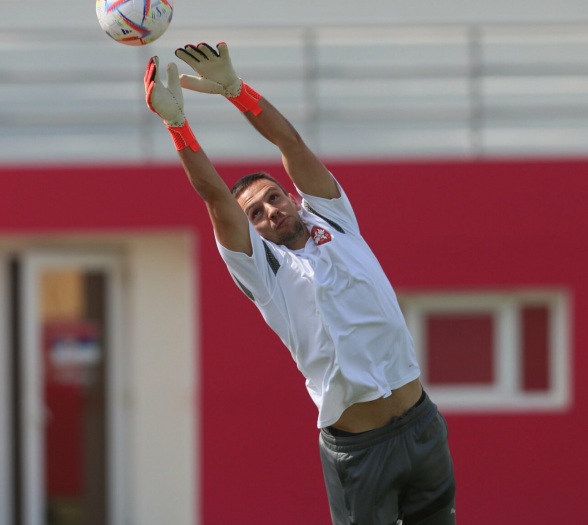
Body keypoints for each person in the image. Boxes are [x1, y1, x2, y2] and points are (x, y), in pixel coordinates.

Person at [144, 42, 457, 525]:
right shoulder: (263, 271)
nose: (271, 211)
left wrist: (235, 90)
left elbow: (290, 143)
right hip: (361, 450)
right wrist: (178, 126)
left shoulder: (335, 216)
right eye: (256, 213)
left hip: (422, 426)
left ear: (289, 197)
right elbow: (213, 195)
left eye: (274, 198)